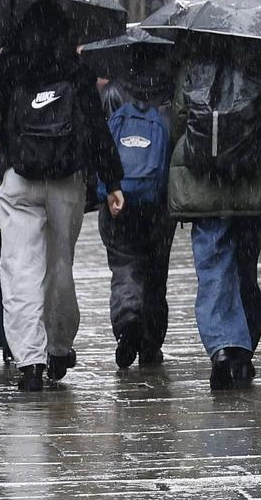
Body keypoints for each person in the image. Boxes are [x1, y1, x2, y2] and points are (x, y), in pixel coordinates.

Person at [0, 2, 125, 392]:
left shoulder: (7, 66)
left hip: (20, 179)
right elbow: (96, 128)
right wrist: (112, 180)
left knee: (20, 268)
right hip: (66, 181)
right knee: (59, 266)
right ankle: (59, 346)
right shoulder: (74, 70)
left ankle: (30, 362)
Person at [169, 37, 261, 390]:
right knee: (245, 269)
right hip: (253, 183)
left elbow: (179, 118)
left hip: (202, 183)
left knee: (213, 267)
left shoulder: (193, 65)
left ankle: (225, 348)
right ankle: (240, 346)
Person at [97, 50, 177, 369]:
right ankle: (150, 341)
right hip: (159, 200)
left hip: (119, 196)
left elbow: (100, 140)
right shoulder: (170, 92)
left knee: (124, 264)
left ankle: (128, 318)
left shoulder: (113, 91)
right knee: (156, 272)